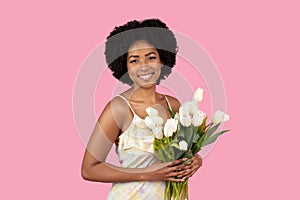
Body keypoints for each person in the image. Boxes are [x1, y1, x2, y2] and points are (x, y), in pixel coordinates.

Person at [81, 18, 202, 199]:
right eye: (134, 60)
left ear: (162, 59)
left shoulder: (173, 105)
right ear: (124, 65)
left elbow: (184, 153)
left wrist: (195, 161)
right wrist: (148, 173)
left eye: (151, 57)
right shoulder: (119, 109)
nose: (144, 66)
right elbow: (89, 169)